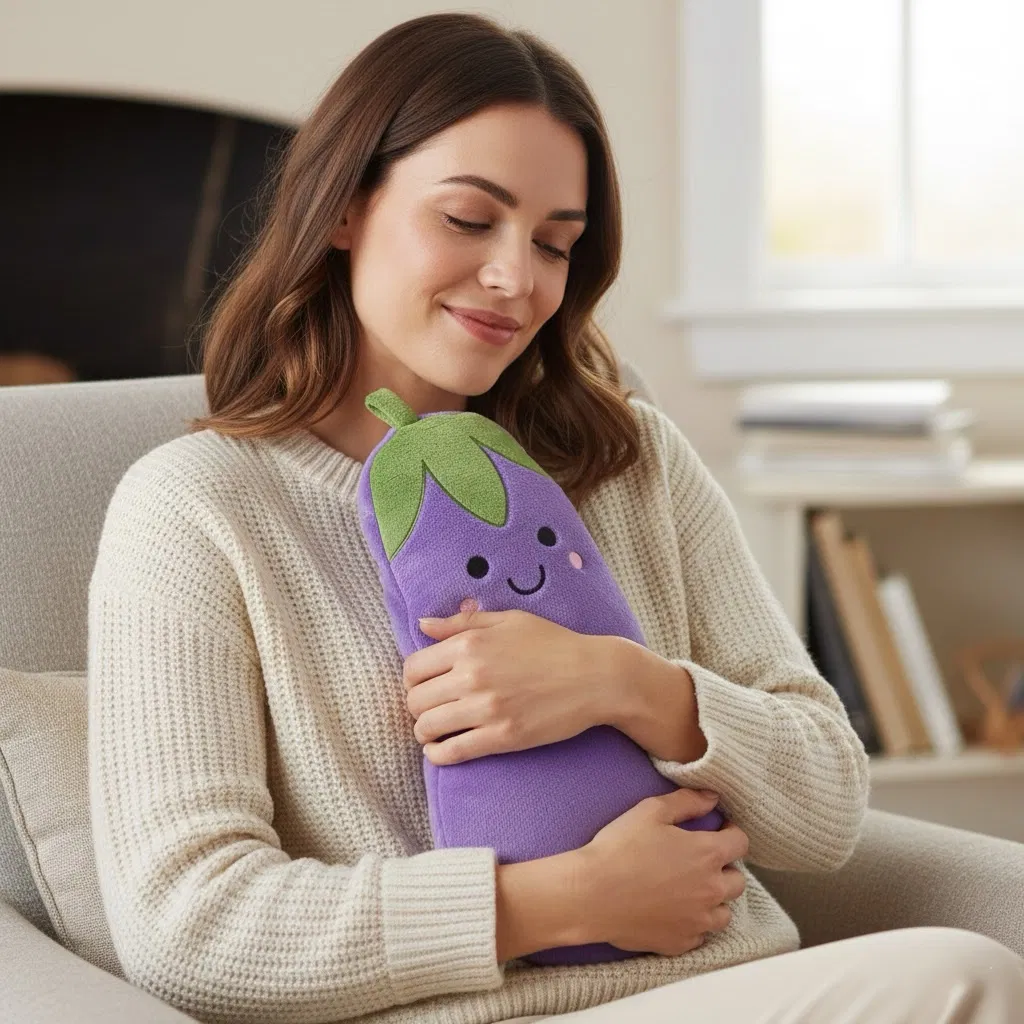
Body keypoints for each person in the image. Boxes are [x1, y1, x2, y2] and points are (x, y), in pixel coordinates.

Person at [86, 12, 1024, 1024]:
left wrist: (624, 682)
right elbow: (183, 923)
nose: (516, 279)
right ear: (345, 207)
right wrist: (546, 902)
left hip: (736, 988)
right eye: (467, 218)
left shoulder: (631, 459)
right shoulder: (197, 508)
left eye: (554, 243)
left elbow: (828, 805)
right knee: (963, 981)